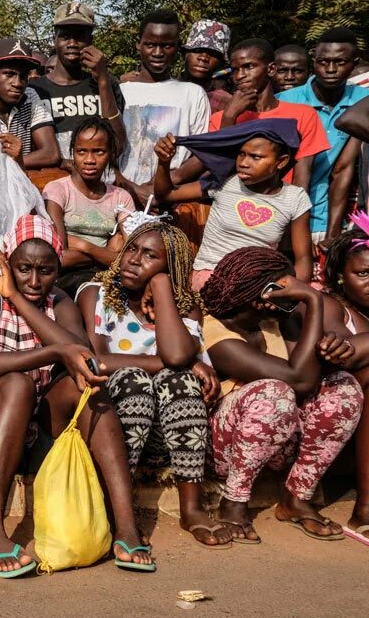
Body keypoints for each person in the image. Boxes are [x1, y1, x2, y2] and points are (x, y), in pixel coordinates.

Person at [0, 215, 155, 576]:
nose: (35, 281)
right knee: (17, 382)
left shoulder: (59, 299)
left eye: (46, 270)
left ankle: (126, 525)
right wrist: (48, 352)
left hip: (43, 431)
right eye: (23, 270)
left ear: (57, 269)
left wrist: (18, 298)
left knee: (89, 387)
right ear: (8, 263)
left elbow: (83, 355)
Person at [77, 222, 231, 548]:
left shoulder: (183, 306)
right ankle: (119, 509)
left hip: (170, 437)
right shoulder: (96, 294)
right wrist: (179, 362)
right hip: (116, 430)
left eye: (150, 256)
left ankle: (191, 507)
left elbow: (175, 353)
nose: (134, 260)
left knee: (181, 382)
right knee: (137, 380)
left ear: (170, 267)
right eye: (131, 248)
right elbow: (98, 361)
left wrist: (161, 289)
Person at [202, 247, 362, 543]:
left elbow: (309, 378)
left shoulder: (278, 319)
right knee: (274, 391)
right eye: (282, 288)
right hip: (225, 450)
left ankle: (296, 498)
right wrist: (313, 299)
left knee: (343, 386)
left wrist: (309, 308)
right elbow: (298, 380)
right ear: (262, 296)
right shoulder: (216, 332)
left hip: (280, 441)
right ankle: (233, 502)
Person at [154, 121, 311, 286]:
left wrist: (287, 291)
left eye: (255, 157)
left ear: (282, 161)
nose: (243, 163)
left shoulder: (295, 198)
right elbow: (166, 194)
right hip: (211, 277)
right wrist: (163, 163)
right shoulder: (225, 182)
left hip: (258, 283)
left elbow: (303, 258)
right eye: (242, 154)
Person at [278, 28, 369, 247]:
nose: (330, 69)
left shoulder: (362, 103)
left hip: (330, 219)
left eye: (340, 62)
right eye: (323, 62)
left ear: (354, 63)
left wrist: (333, 234)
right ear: (314, 58)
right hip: (281, 218)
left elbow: (343, 169)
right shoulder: (285, 102)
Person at [207, 39, 327, 190]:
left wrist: (292, 212)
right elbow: (218, 170)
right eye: (235, 70)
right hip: (231, 207)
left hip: (281, 209)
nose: (239, 76)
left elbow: (302, 180)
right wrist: (229, 118)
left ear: (271, 69)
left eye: (248, 67)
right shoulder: (221, 118)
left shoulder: (303, 115)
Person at [116, 9, 211, 192]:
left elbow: (202, 152)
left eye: (166, 46)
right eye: (150, 44)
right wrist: (131, 189)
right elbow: (104, 149)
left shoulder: (193, 94)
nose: (158, 53)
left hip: (170, 196)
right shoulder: (119, 92)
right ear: (138, 44)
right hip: (120, 194)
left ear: (177, 47)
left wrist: (160, 185)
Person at [43, 117, 133, 295]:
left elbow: (130, 259)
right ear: (73, 153)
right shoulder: (58, 190)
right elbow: (59, 257)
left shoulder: (121, 197)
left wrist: (85, 246)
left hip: (105, 276)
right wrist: (107, 253)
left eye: (99, 152)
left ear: (110, 154)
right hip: (64, 278)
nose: (89, 160)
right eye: (81, 151)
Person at [29, 2, 125, 162]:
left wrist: (103, 80)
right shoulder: (34, 90)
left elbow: (118, 145)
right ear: (54, 39)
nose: (72, 44)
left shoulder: (107, 85)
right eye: (65, 36)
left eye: (80, 37)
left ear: (90, 41)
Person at [321, 220, 369, 535]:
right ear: (340, 276)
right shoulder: (331, 306)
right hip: (334, 420)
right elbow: (345, 354)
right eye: (363, 274)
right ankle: (364, 509)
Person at [0, 36, 60, 173]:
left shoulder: (29, 96)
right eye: (9, 74)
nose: (18, 83)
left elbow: (51, 153)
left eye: (23, 76)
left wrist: (16, 160)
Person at [180, 19, 233, 110]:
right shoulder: (166, 91)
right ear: (185, 54)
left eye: (213, 54)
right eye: (197, 50)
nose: (203, 58)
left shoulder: (226, 104)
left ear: (221, 62)